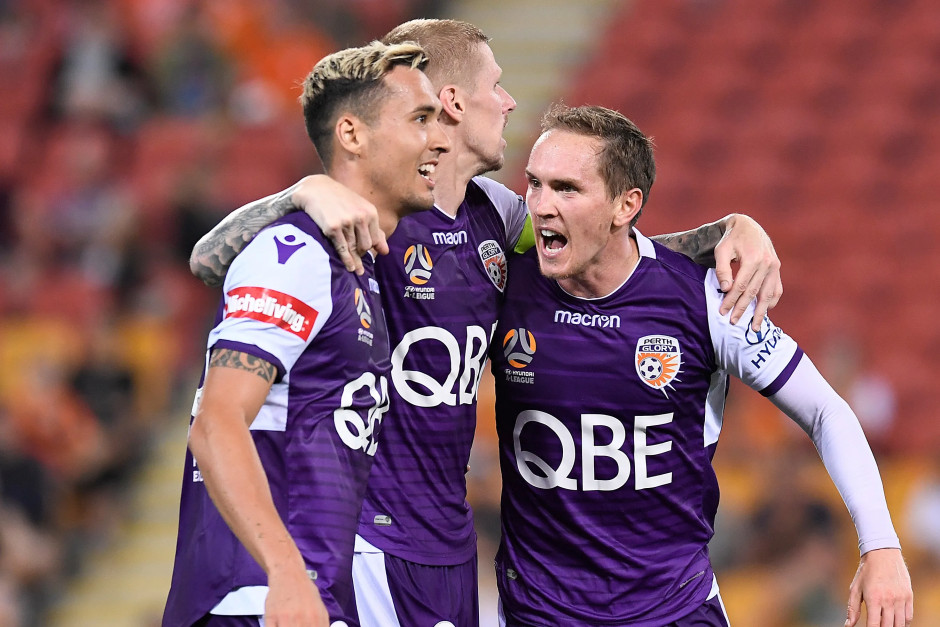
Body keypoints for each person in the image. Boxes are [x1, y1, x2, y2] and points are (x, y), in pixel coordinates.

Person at [187, 20, 783, 627]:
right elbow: (209, 259)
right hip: (368, 533)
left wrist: (730, 230)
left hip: (451, 540)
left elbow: (604, 248)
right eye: (495, 85)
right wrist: (302, 192)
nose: (509, 101)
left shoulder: (497, 215)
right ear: (452, 101)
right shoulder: (370, 212)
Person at [488, 104, 913, 626]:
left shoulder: (705, 301)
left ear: (626, 205)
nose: (540, 205)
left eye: (567, 189)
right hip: (539, 613)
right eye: (534, 183)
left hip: (674, 610)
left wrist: (880, 545)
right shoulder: (503, 284)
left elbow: (826, 411)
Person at [162, 40, 450, 627]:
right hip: (256, 598)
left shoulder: (354, 267)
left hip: (307, 595)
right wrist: (286, 575)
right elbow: (216, 424)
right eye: (420, 119)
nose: (439, 140)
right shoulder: (295, 253)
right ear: (352, 134)